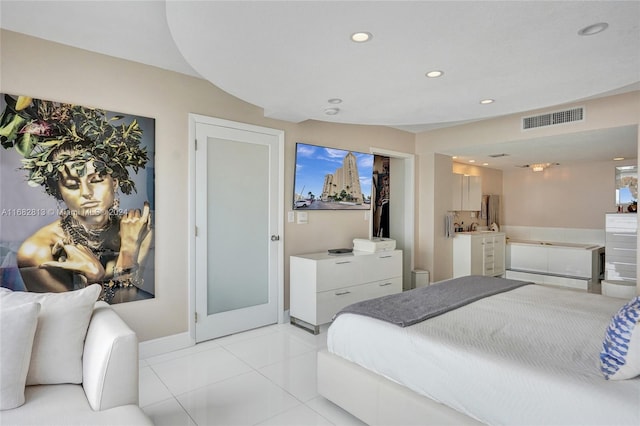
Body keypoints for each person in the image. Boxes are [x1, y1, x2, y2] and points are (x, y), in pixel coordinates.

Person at [0, 94, 153, 303]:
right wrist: (120, 257)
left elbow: (140, 301)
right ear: (58, 192)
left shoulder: (136, 230)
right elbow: (86, 317)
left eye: (96, 179)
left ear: (115, 182)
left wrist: (130, 246)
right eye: (72, 184)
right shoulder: (37, 250)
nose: (86, 192)